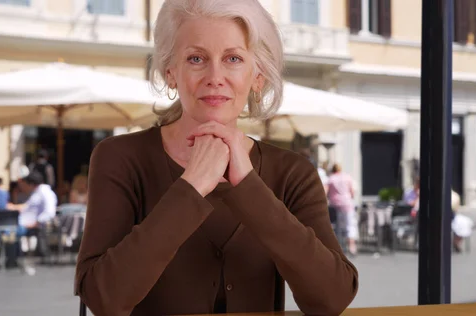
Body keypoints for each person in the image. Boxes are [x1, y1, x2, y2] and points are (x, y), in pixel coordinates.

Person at [74, 1, 358, 315]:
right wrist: (192, 186)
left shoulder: (292, 173)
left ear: (257, 76)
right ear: (171, 73)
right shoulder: (121, 158)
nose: (215, 76)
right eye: (196, 58)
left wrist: (249, 186)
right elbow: (103, 298)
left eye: (233, 58)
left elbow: (332, 298)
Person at [326, 163, 359, 256]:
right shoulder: (347, 177)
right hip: (347, 204)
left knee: (337, 226)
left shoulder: (330, 179)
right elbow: (352, 191)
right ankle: (351, 246)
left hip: (334, 204)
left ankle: (338, 246)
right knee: (350, 224)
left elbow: (325, 191)